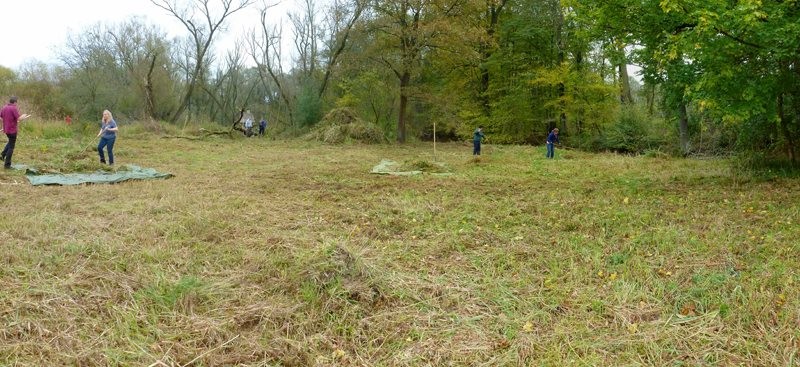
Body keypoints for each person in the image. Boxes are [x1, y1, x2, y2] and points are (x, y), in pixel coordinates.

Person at [1, 96, 31, 169]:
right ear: (15, 102)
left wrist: (6, 122)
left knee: (10, 142)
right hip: (12, 130)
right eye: (16, 103)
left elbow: (1, 117)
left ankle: (2, 155)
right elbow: (19, 118)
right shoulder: (13, 108)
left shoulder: (4, 107)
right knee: (11, 147)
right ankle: (7, 165)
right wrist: (24, 116)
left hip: (6, 129)